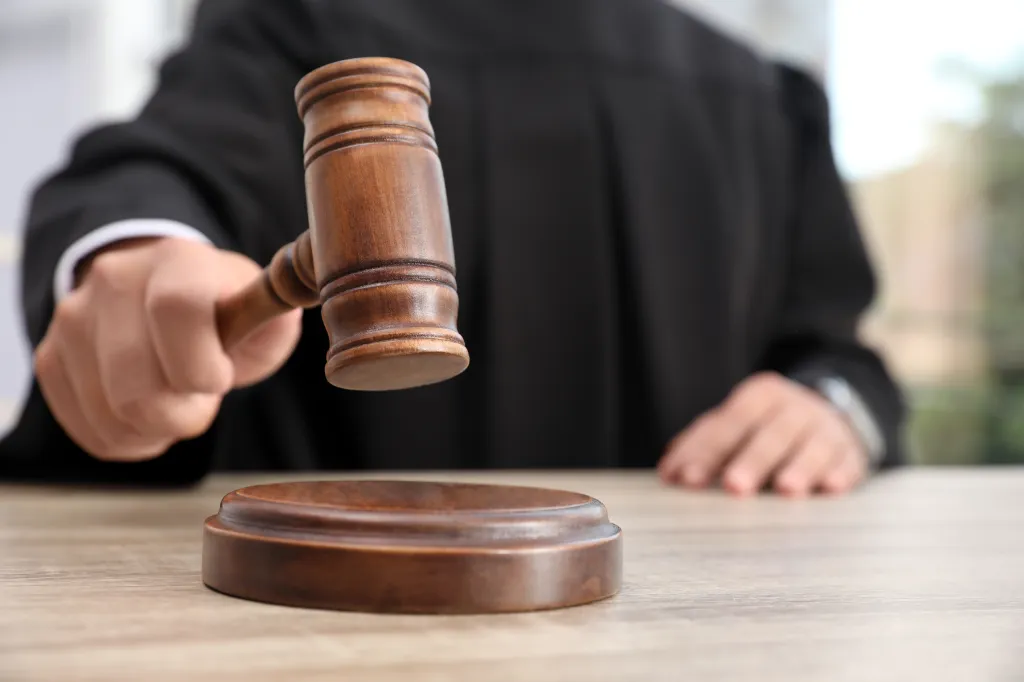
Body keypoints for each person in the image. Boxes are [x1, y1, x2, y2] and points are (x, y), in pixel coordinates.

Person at [0, 0, 906, 496]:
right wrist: (142, 253)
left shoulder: (762, 97)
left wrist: (823, 407)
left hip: (682, 632)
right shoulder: (291, 33)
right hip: (320, 639)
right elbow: (144, 176)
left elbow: (833, 350)